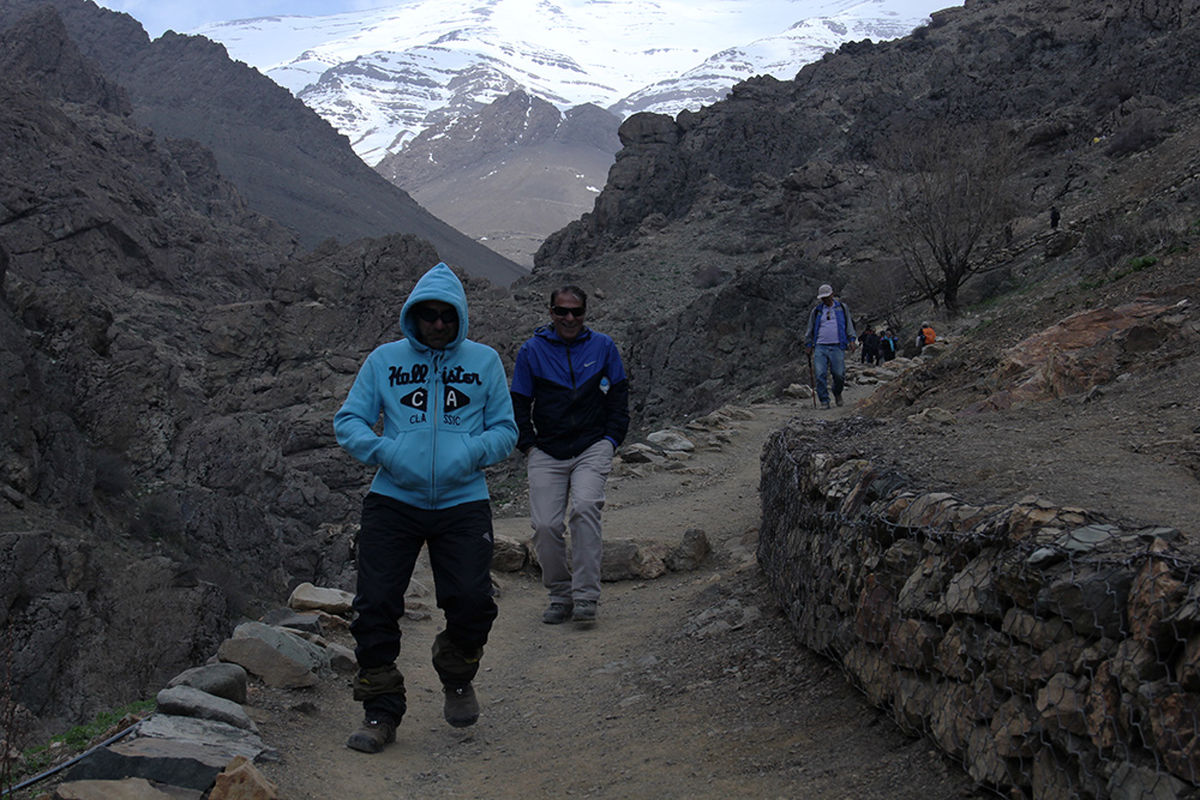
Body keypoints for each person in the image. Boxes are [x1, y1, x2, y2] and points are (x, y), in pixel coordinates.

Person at [333, 262, 517, 753]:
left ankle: (456, 671)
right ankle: (380, 710)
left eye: (446, 317)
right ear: (412, 316)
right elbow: (349, 421)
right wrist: (387, 452)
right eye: (428, 315)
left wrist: (471, 453)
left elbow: (506, 430)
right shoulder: (383, 360)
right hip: (393, 500)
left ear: (460, 318)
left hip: (463, 501)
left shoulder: (484, 362)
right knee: (374, 606)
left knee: (473, 602)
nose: (437, 324)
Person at [510, 286, 630, 626]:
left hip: (592, 446)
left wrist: (611, 439)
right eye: (562, 311)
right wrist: (529, 445)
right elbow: (519, 402)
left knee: (585, 508)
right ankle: (560, 595)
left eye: (576, 312)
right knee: (546, 526)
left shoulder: (603, 347)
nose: (569, 318)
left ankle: (586, 597)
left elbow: (618, 396)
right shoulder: (532, 351)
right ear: (550, 312)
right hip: (547, 450)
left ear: (585, 313)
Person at [804, 283, 856, 409]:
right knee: (820, 373)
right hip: (820, 346)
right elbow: (810, 328)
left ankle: (837, 392)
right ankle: (824, 400)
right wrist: (808, 344)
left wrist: (852, 339)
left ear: (832, 295)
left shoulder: (842, 308)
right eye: (823, 298)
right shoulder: (816, 311)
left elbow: (848, 324)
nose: (825, 300)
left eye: (827, 297)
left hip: (837, 345)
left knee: (839, 374)